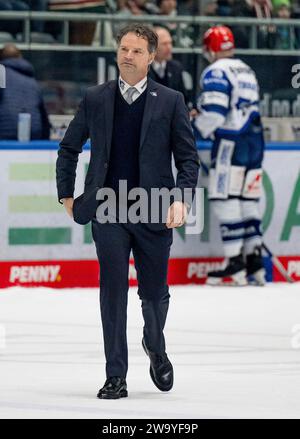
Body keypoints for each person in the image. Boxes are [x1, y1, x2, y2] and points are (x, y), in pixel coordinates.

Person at [56, 24, 199, 399]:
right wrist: (65, 196)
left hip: (154, 209)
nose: (127, 56)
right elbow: (68, 148)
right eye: (123, 49)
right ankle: (115, 375)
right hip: (107, 210)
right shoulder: (95, 97)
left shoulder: (170, 100)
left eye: (136, 51)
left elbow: (187, 158)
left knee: (154, 294)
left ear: (152, 56)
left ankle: (155, 343)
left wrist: (182, 198)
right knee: (113, 291)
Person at [193, 25, 266, 286]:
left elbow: (214, 111)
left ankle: (235, 263)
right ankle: (254, 260)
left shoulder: (215, 71)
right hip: (255, 142)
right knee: (248, 197)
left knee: (224, 197)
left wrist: (194, 128)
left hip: (230, 142)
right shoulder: (246, 69)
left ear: (210, 48)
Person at [0, 44, 50, 140]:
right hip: (33, 135)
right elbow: (44, 117)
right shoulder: (32, 82)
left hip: (3, 134)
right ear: (20, 58)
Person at [148, 26, 189, 105]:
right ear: (153, 47)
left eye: (170, 43)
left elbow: (183, 98)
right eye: (164, 44)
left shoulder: (176, 68)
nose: (169, 47)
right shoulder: (143, 69)